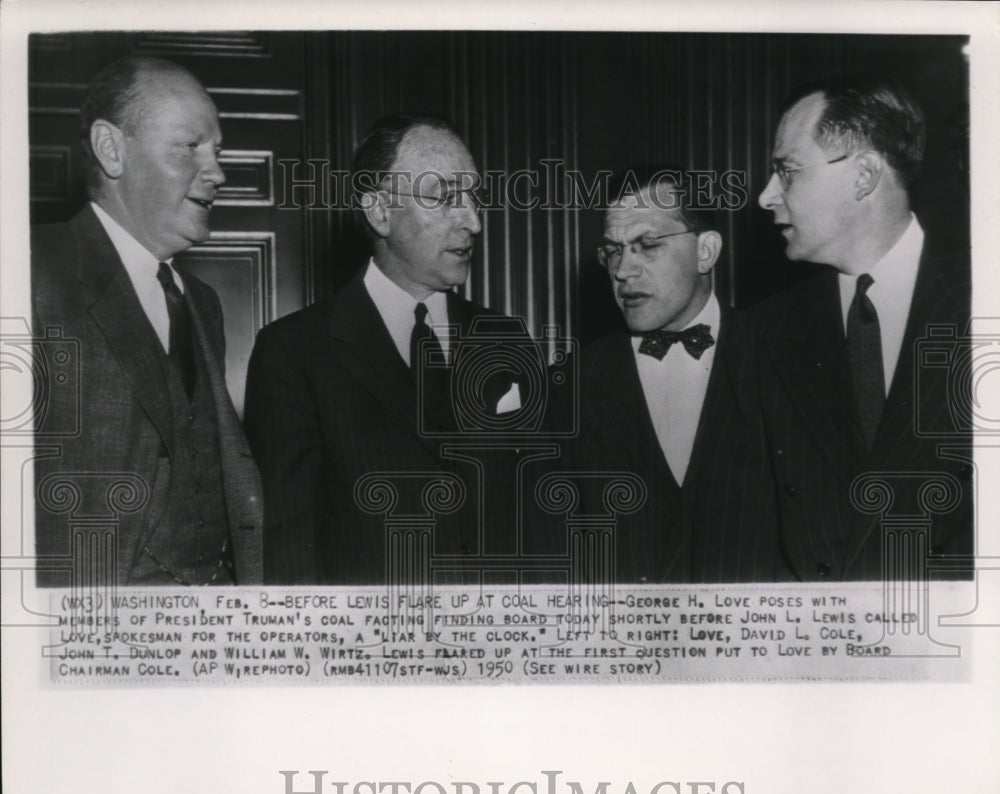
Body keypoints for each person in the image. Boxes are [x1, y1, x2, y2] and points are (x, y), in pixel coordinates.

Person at [245, 113, 525, 585]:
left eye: (474, 197)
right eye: (443, 197)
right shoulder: (293, 353)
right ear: (378, 212)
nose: (473, 221)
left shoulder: (507, 339)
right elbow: (288, 549)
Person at [32, 56, 263, 587]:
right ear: (111, 149)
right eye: (190, 147)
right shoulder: (28, 269)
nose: (218, 172)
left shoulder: (200, 301)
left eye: (218, 151)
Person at [752, 75, 972, 581]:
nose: (766, 196)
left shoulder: (987, 298)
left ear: (864, 175)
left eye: (786, 171)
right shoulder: (764, 333)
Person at [557, 166, 785, 583]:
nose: (624, 270)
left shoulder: (782, 361)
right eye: (613, 250)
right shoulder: (568, 387)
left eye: (647, 244)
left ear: (706, 251)